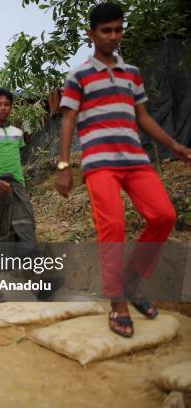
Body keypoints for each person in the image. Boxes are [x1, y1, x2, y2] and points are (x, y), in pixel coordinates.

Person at [57, 2, 191, 337]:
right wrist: (63, 165)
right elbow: (68, 119)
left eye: (118, 29)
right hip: (99, 163)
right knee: (112, 227)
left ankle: (133, 279)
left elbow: (143, 116)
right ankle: (117, 302)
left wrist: (174, 145)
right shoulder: (79, 76)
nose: (113, 36)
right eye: (106, 30)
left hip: (135, 159)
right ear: (91, 34)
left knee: (163, 215)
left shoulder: (132, 72)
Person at [0, 88, 38, 303]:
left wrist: (15, 182)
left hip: (17, 187)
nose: (3, 108)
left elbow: (17, 160)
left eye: (7, 104)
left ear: (11, 107)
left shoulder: (18, 133)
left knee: (26, 228)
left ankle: (37, 283)